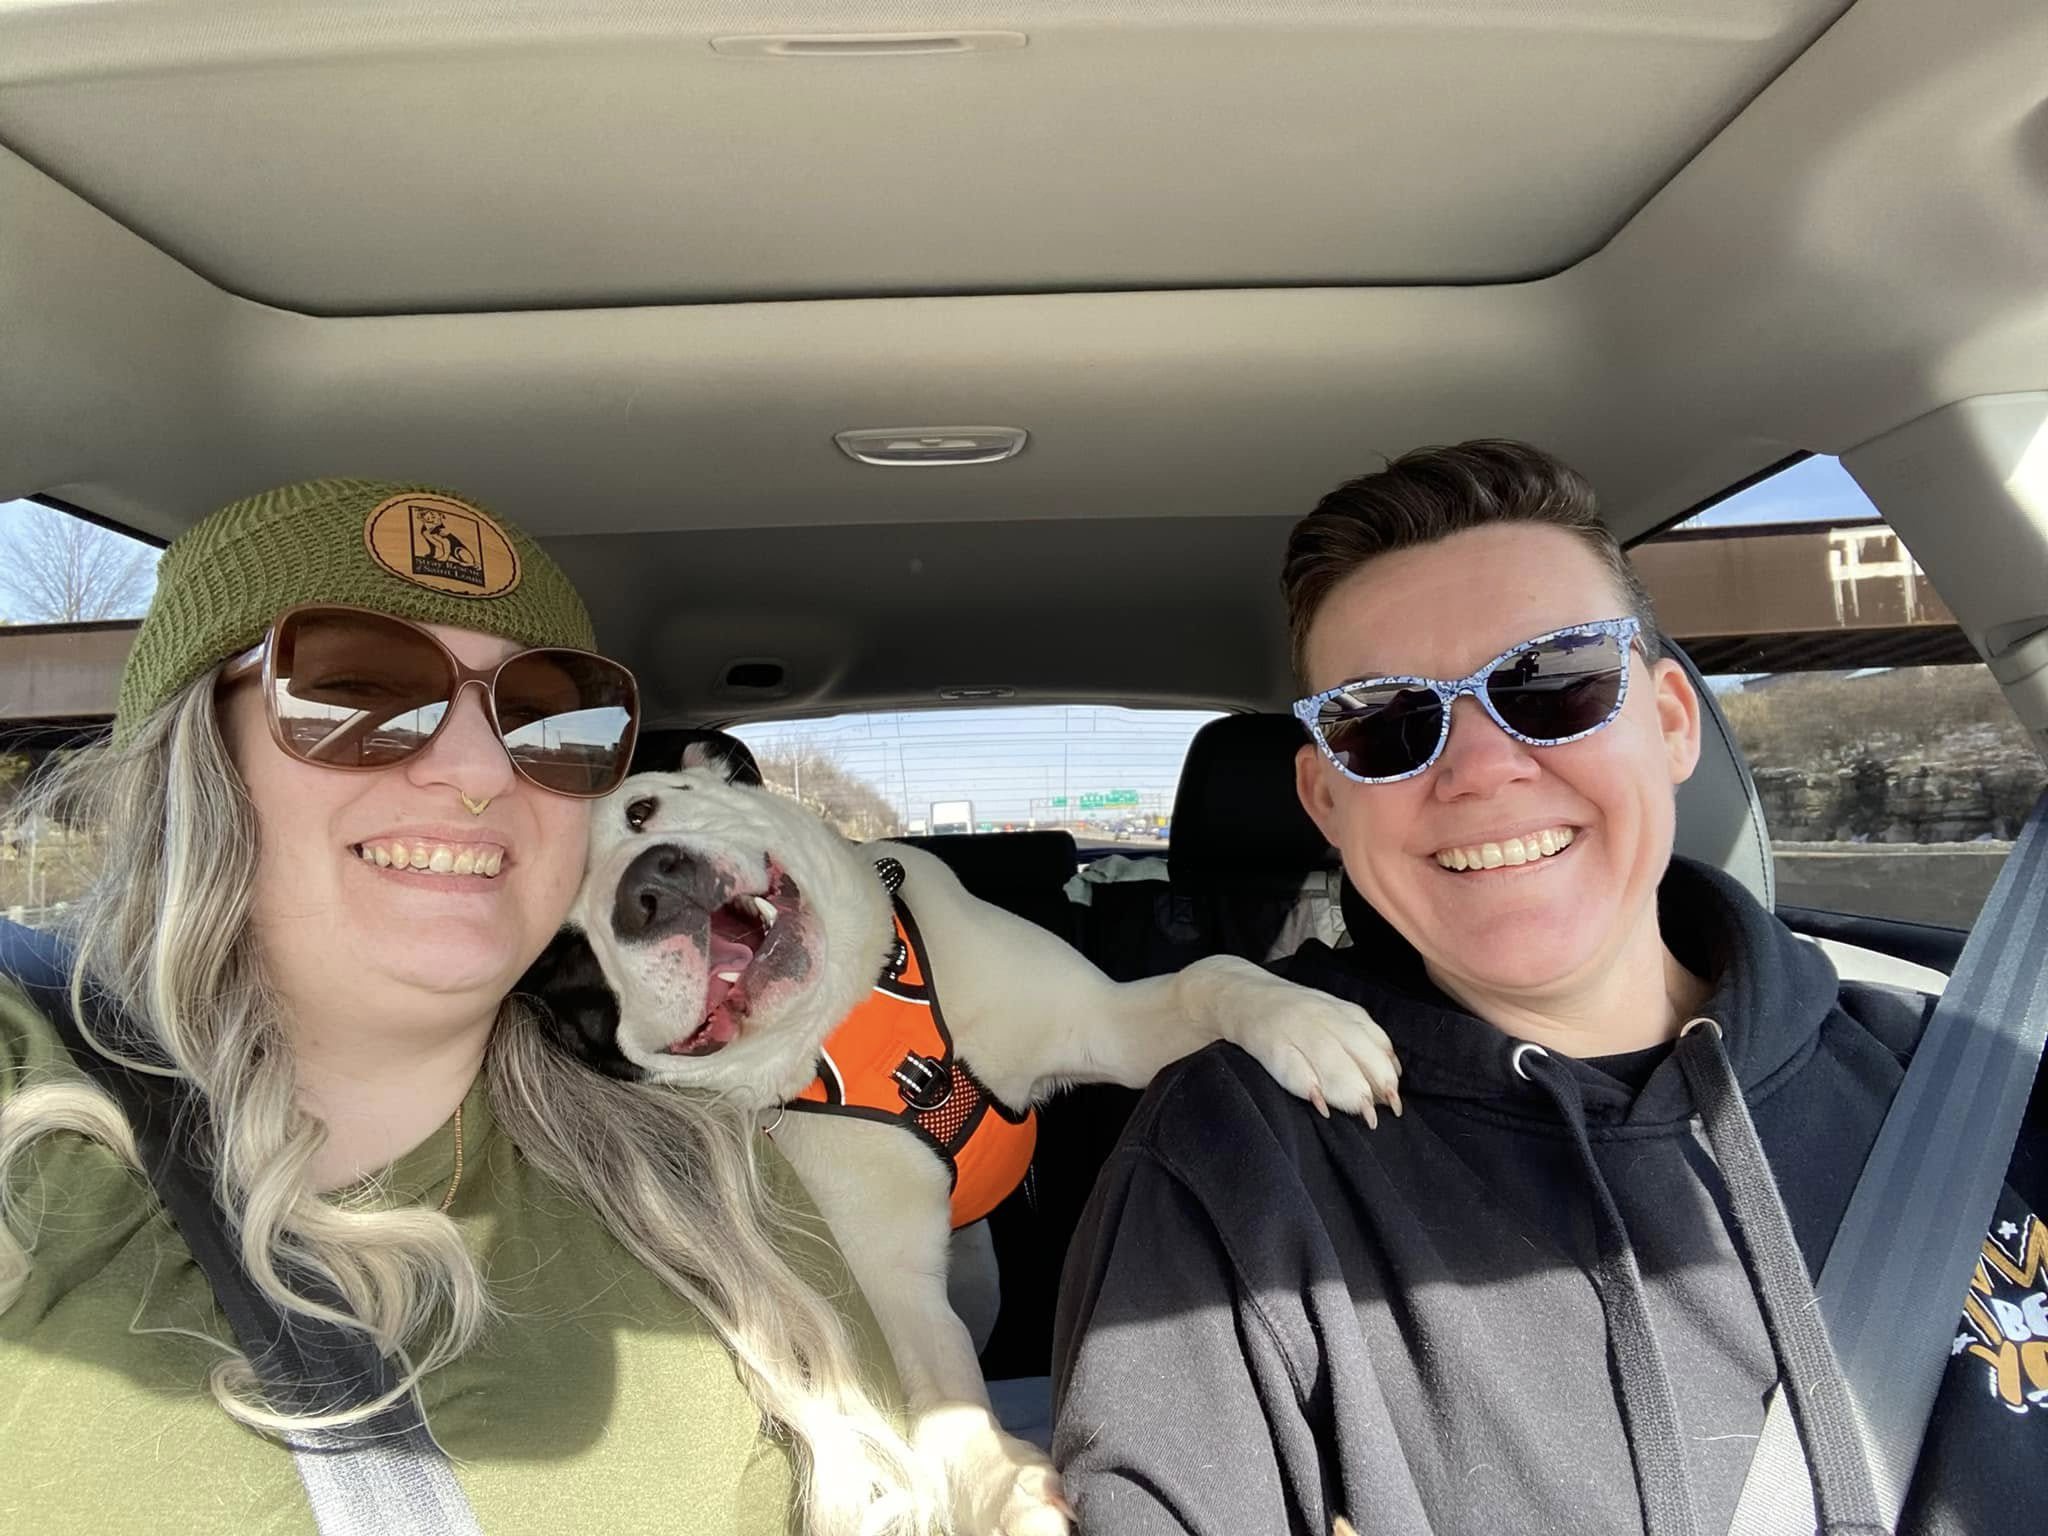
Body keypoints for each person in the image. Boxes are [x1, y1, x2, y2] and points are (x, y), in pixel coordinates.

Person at [1051, 441, 2046, 1535]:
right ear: (1325, 799)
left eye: (1555, 682)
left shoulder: (1970, 1094)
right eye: (1385, 723)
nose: (1480, 770)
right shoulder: (1229, 1165)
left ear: (1671, 722)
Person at [0, 479, 935, 1536]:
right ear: (194, 758)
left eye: (546, 721)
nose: (482, 769)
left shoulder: (710, 1180)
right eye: (359, 695)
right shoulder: (35, 1122)